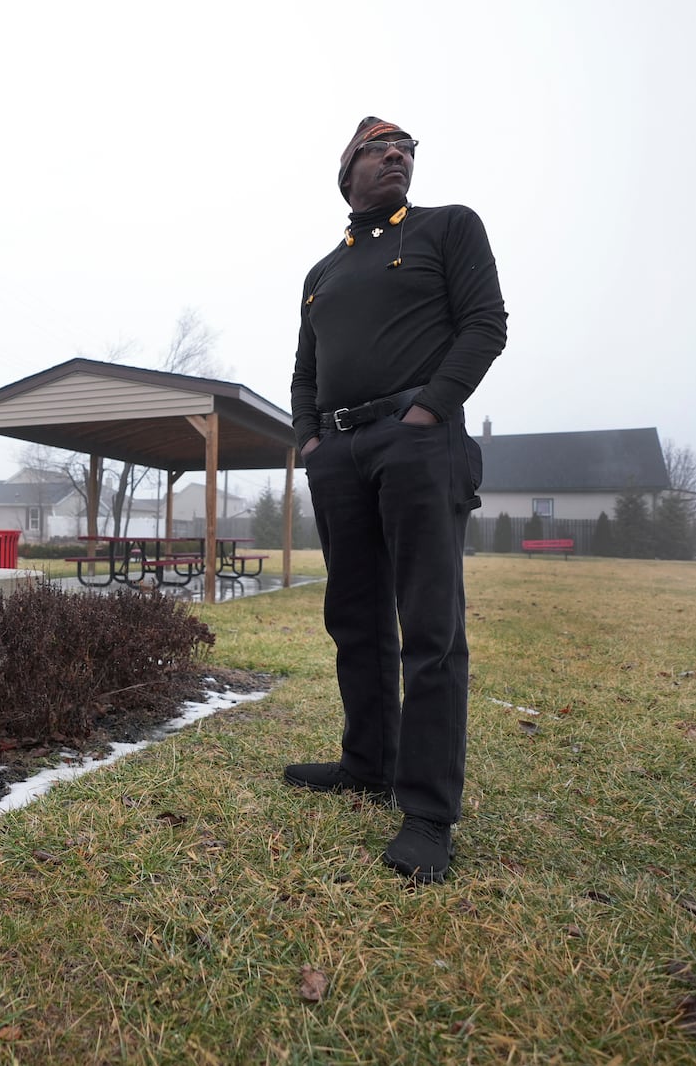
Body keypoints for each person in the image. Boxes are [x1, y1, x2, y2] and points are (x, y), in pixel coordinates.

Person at [285, 116, 508, 884]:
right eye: (380, 148)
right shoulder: (321, 273)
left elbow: (486, 325)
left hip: (418, 440)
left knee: (430, 625)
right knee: (354, 616)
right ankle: (366, 762)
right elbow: (304, 372)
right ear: (347, 169)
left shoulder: (449, 229)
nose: (397, 156)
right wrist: (311, 442)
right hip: (340, 453)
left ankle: (427, 812)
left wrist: (426, 413)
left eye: (406, 149)